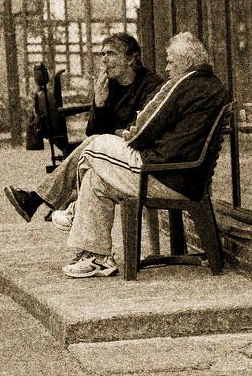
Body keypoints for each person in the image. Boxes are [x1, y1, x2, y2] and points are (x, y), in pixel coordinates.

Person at [61, 31, 229, 278]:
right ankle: (98, 258)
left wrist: (130, 135)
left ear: (186, 61)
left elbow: (144, 131)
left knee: (94, 145)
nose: (167, 67)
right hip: (179, 174)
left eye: (171, 61)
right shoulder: (209, 85)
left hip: (163, 174)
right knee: (96, 181)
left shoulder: (184, 84)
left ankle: (72, 211)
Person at [3, 33, 163, 226]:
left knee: (93, 148)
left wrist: (111, 135)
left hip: (138, 157)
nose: (104, 60)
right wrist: (100, 102)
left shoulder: (151, 86)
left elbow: (138, 132)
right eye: (102, 54)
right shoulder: (109, 86)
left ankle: (44, 201)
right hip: (108, 153)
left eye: (111, 54)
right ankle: (76, 225)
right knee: (92, 156)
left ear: (131, 58)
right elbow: (93, 131)